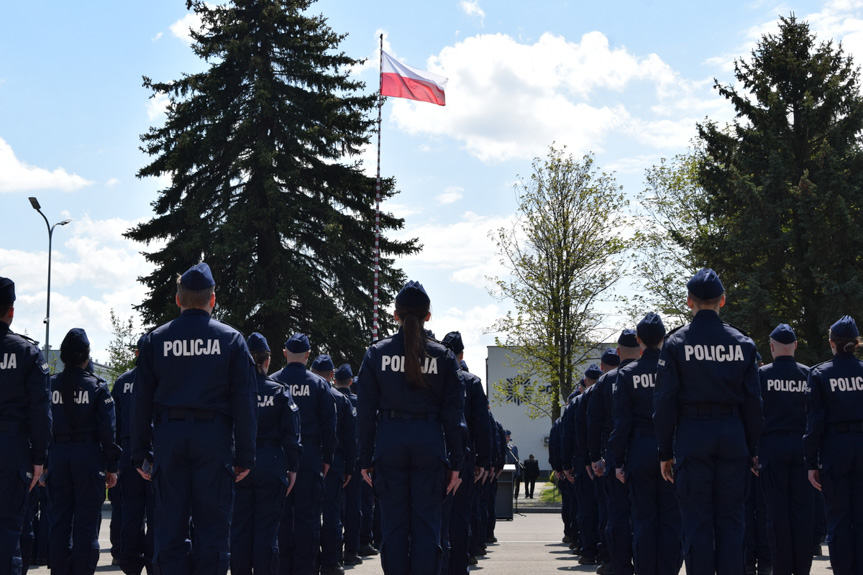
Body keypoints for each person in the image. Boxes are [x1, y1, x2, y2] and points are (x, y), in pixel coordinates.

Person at [131, 262, 257, 574]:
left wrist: (139, 452)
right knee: (213, 531)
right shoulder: (231, 340)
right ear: (212, 299)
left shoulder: (155, 340)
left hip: (169, 438)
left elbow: (140, 403)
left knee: (169, 530)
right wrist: (245, 455)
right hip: (213, 440)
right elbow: (245, 403)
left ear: (178, 299)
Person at [654, 268, 763, 575]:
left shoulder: (676, 344)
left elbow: (664, 402)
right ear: (723, 301)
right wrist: (753, 447)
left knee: (697, 522)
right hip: (732, 434)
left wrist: (665, 451)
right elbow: (754, 403)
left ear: (689, 302)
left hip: (693, 433)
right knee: (731, 521)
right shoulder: (743, 344)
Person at [356, 280, 466, 575]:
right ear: (428, 316)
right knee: (427, 529)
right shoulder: (443, 356)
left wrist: (364, 459)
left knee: (392, 529)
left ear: (396, 315)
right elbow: (453, 415)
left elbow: (365, 412)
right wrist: (457, 462)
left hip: (389, 442)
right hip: (428, 443)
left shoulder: (377, 354)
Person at [610, 312, 682, 575]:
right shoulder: (674, 369)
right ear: (664, 338)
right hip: (671, 451)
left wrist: (618, 461)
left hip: (639, 451)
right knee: (672, 521)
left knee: (643, 520)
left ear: (638, 340)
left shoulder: (627, 374)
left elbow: (622, 423)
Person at [47, 328, 121, 575]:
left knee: (59, 521)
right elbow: (108, 432)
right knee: (87, 523)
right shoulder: (97, 387)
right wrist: (112, 466)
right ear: (86, 356)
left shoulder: (50, 385)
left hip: (57, 455)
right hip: (88, 456)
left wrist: (44, 460)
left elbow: (40, 422)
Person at [231, 332, 301, 575]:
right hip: (271, 463)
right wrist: (292, 467)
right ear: (267, 361)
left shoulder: (233, 392)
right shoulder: (279, 391)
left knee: (238, 530)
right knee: (267, 531)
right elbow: (291, 436)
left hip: (239, 465)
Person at [271, 333, 336, 575]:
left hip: (279, 456)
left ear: (285, 353)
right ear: (308, 356)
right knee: (308, 519)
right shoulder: (319, 385)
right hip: (309, 457)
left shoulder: (274, 382)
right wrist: (327, 458)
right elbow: (330, 426)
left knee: (281, 517)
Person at [0, 276, 52, 575]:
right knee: (8, 529)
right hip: (11, 450)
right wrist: (39, 459)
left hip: (14, 447)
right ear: (11, 311)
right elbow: (40, 410)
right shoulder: (26, 352)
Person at [804, 315, 863, 575]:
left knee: (838, 520)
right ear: (856, 343)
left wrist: (810, 462)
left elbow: (815, 422)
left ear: (832, 343)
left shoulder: (819, 374)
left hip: (834, 450)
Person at [757, 323, 812, 575]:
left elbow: (754, 415)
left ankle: (780, 568)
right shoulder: (808, 374)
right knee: (802, 512)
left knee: (776, 513)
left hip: (772, 446)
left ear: (771, 347)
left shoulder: (762, 375)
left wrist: (754, 451)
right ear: (796, 347)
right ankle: (802, 568)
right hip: (802, 446)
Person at [111, 338, 154, 575]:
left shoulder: (122, 381)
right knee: (157, 511)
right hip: (153, 451)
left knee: (130, 511)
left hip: (127, 452)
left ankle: (128, 560)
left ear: (137, 352)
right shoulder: (160, 379)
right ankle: (153, 559)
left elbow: (113, 424)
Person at [313, 354, 357, 575]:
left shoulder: (301, 392)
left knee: (307, 512)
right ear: (332, 375)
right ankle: (331, 561)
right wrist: (350, 468)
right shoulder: (341, 399)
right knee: (331, 512)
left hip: (309, 460)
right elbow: (350, 439)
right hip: (335, 462)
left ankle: (310, 559)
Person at [334, 364, 363, 567]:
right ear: (351, 382)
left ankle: (332, 551)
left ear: (335, 381)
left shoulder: (331, 399)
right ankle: (351, 550)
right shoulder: (358, 403)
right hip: (356, 460)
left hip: (332, 460)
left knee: (332, 508)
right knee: (354, 507)